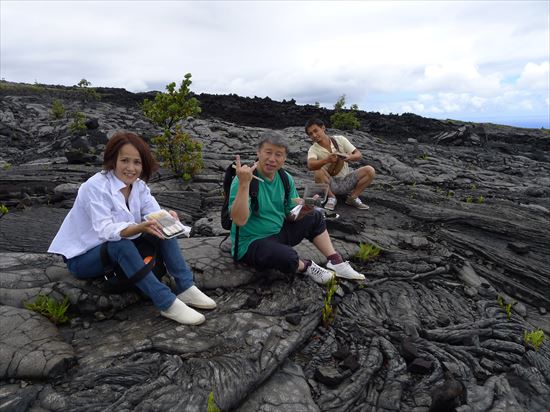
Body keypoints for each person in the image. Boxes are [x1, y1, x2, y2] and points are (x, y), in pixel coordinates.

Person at [48, 131, 216, 325]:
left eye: (137, 162)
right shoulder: (94, 187)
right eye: (125, 161)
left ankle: (186, 287)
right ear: (113, 160)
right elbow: (106, 230)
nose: (131, 168)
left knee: (163, 230)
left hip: (115, 247)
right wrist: (139, 227)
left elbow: (153, 213)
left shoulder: (139, 186)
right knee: (121, 245)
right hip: (83, 257)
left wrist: (168, 219)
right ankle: (166, 303)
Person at [229, 131, 365, 284]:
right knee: (288, 257)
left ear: (284, 158)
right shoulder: (244, 179)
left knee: (315, 216)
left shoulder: (285, 178)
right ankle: (307, 266)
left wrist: (303, 211)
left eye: (278, 155)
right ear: (258, 152)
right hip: (251, 243)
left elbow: (289, 215)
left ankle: (336, 262)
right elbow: (239, 220)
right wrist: (243, 184)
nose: (272, 159)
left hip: (277, 233)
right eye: (268, 152)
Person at [305, 118, 376, 211]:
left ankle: (353, 198)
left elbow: (358, 155)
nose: (314, 135)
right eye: (310, 134)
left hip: (346, 181)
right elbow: (310, 165)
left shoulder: (340, 140)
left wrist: (348, 157)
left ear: (323, 128)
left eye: (315, 131)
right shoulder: (313, 149)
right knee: (317, 170)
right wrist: (327, 160)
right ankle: (331, 198)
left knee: (370, 170)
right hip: (329, 184)